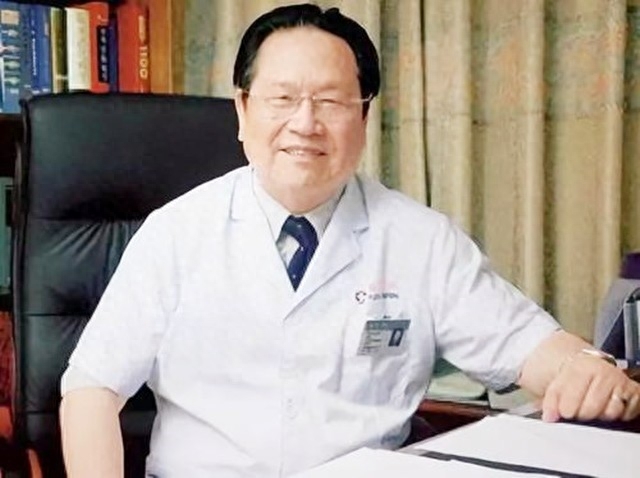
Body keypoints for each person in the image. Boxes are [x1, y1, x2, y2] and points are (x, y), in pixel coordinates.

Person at [60, 3, 640, 477]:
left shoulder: (419, 239)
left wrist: (586, 369)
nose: (305, 123)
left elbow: (528, 347)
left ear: (363, 117)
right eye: (282, 99)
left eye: (331, 101)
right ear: (242, 110)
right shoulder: (175, 232)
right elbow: (92, 388)